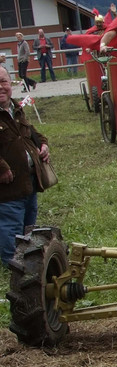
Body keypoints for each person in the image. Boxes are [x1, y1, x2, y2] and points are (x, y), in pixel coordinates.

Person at [0, 64, 50, 265]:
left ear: (10, 84)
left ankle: (25, 259)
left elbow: (32, 133)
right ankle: (11, 264)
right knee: (10, 225)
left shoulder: (16, 109)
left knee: (29, 224)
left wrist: (43, 144)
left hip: (28, 181)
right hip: (8, 187)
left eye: (3, 81)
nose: (1, 87)